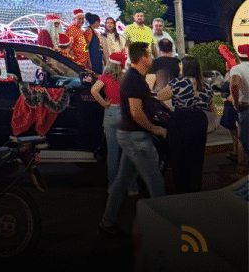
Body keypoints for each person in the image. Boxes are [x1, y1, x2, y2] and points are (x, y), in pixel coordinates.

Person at [98, 42, 167, 237]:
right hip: (136, 137)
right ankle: (164, 229)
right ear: (142, 58)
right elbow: (136, 113)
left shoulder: (134, 77)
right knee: (155, 182)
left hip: (129, 135)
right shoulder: (134, 79)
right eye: (149, 55)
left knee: (121, 182)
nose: (152, 58)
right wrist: (156, 129)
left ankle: (107, 222)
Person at [156, 57, 214, 193]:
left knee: (179, 158)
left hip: (180, 120)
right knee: (197, 158)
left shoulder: (177, 83)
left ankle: (182, 191)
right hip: (199, 121)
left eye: (181, 65)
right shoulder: (206, 86)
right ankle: (195, 190)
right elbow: (214, 107)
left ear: (185, 68)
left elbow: (160, 96)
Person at [91, 51, 139, 195]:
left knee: (112, 154)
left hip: (111, 112)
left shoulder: (105, 77)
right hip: (125, 114)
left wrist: (104, 103)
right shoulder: (127, 77)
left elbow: (94, 90)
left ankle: (113, 187)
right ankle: (132, 187)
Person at [229, 44, 249, 175]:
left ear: (238, 55)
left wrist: (235, 103)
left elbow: (235, 85)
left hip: (244, 107)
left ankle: (243, 169)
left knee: (244, 138)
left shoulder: (236, 69)